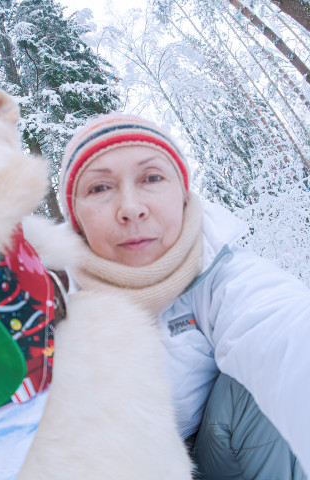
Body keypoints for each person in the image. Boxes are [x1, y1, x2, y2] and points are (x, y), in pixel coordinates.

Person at [58, 113, 310, 480]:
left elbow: (286, 332)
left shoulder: (219, 272)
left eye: (152, 178)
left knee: (255, 392)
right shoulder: (48, 305)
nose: (130, 207)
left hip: (216, 455)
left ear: (182, 193)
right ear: (75, 218)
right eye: (99, 188)